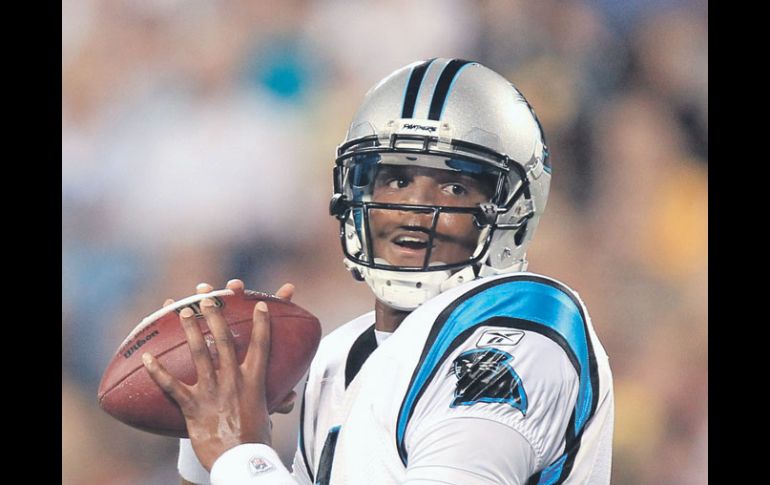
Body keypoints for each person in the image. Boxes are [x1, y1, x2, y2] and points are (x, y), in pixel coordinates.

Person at [142, 58, 614, 484]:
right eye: (397, 179)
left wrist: (241, 457)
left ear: (513, 212)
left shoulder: (518, 334)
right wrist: (210, 422)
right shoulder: (337, 355)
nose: (414, 209)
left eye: (454, 187)